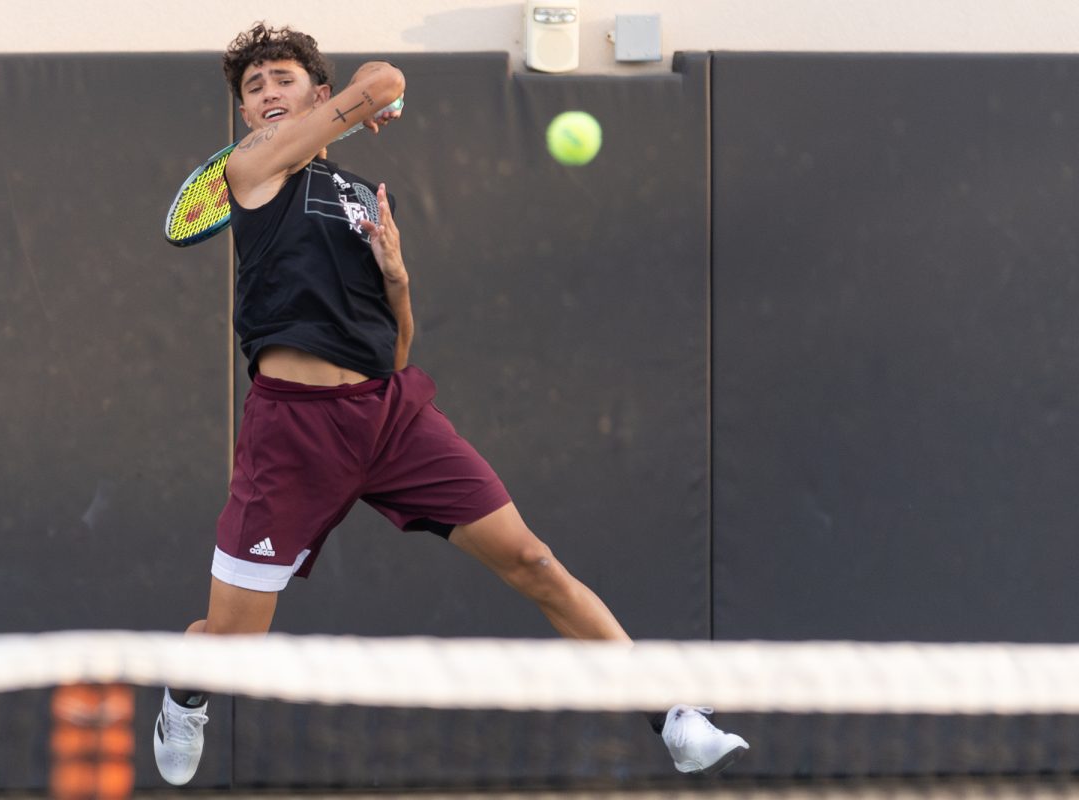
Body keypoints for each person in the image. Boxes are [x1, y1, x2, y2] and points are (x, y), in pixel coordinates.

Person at [153, 21, 749, 786]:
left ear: (315, 91)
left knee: (532, 559)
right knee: (233, 645)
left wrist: (396, 277)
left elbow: (397, 348)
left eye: (284, 79)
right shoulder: (253, 167)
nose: (268, 93)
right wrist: (370, 100)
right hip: (293, 432)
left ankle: (672, 718)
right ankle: (186, 694)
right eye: (254, 87)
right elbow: (386, 82)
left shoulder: (365, 195)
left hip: (390, 415)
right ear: (245, 115)